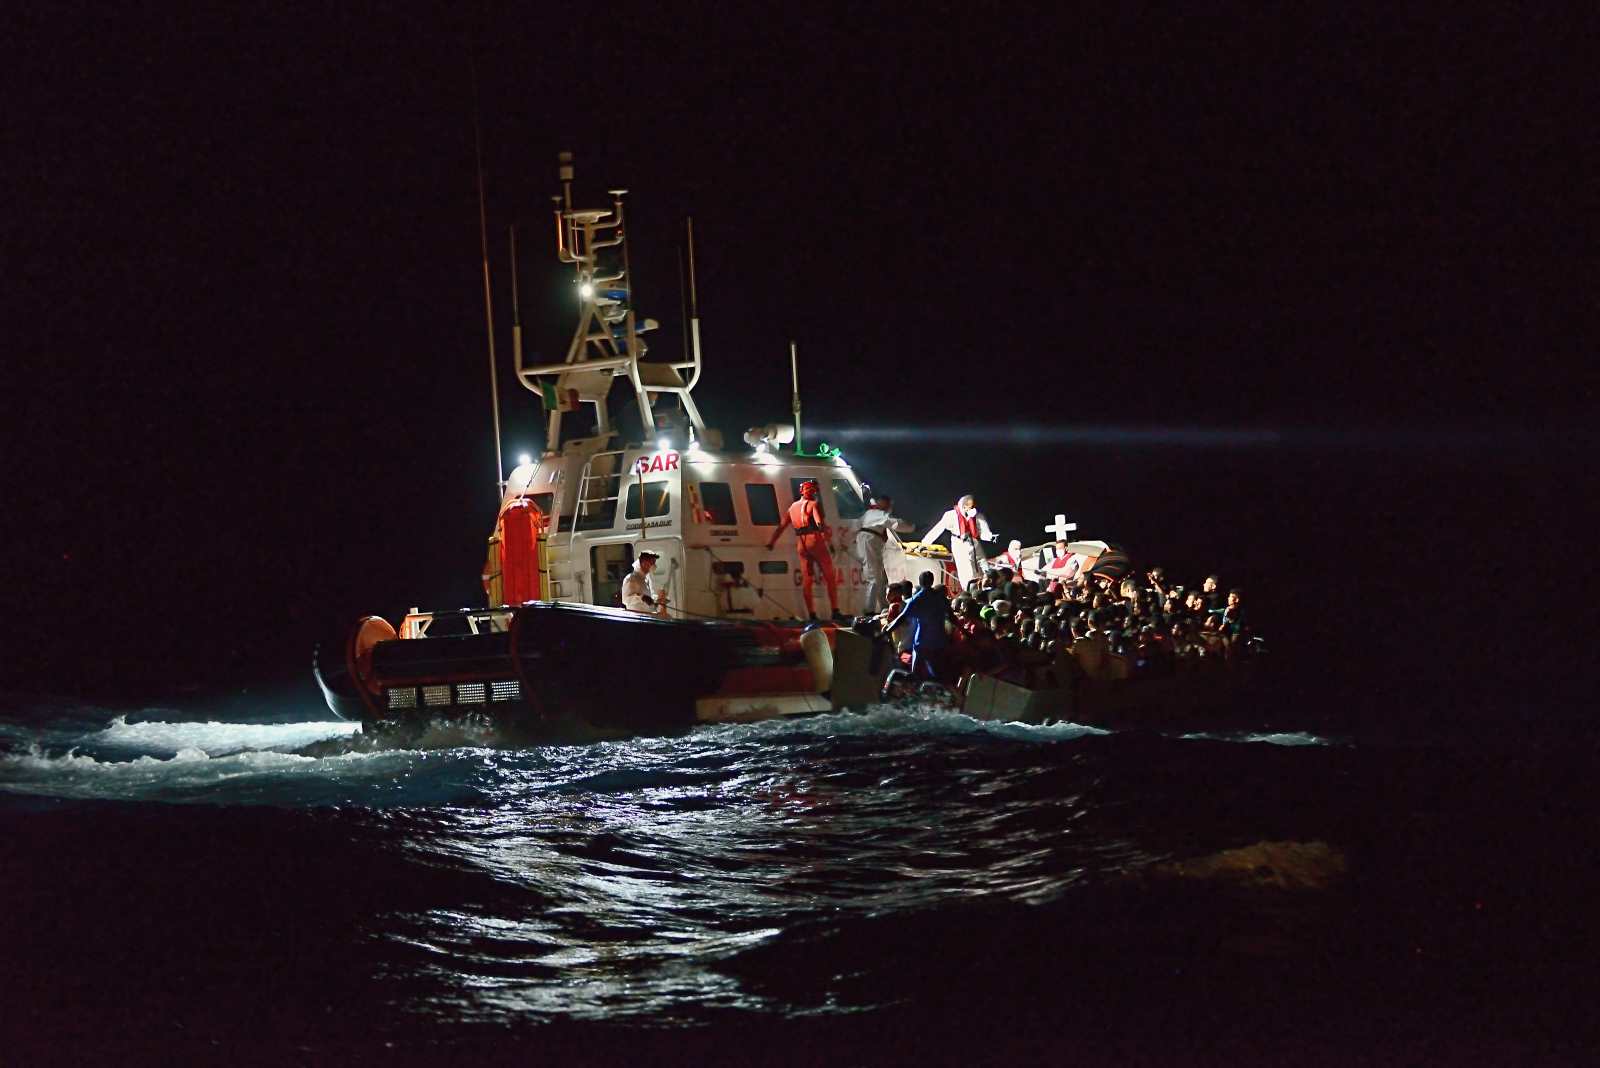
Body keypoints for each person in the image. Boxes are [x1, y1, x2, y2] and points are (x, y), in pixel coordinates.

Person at [767, 479, 845, 621]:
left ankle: (812, 614)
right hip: (815, 541)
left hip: (801, 545)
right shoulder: (814, 504)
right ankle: (835, 611)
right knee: (830, 577)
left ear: (801, 491)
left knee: (807, 580)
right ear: (813, 492)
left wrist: (771, 543)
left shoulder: (792, 508)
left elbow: (780, 528)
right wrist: (829, 541)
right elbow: (819, 524)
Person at [887, 570, 956, 680]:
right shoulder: (941, 598)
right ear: (932, 581)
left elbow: (901, 618)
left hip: (922, 642)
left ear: (920, 582)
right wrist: (966, 632)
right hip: (940, 641)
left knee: (915, 673)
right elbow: (953, 618)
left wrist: (886, 631)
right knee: (939, 674)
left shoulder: (916, 599)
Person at [921, 494, 996, 589]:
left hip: (973, 542)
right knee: (967, 571)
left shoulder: (977, 516)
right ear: (962, 506)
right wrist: (925, 543)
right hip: (959, 544)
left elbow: (984, 531)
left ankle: (987, 587)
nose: (970, 509)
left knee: (984, 565)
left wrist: (989, 536)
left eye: (972, 506)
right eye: (967, 507)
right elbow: (938, 529)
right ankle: (970, 591)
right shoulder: (950, 515)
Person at [856, 493, 899, 614]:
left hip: (870, 545)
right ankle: (869, 611)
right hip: (869, 545)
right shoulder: (878, 515)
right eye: (889, 505)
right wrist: (913, 528)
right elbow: (896, 523)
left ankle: (884, 606)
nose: (890, 507)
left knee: (881, 579)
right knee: (874, 579)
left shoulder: (870, 515)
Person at [620, 550, 669, 616]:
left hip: (647, 617)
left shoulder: (647, 578)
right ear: (644, 563)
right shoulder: (631, 578)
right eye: (652, 562)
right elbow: (625, 600)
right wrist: (641, 598)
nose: (654, 565)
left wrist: (658, 599)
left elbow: (649, 596)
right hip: (636, 619)